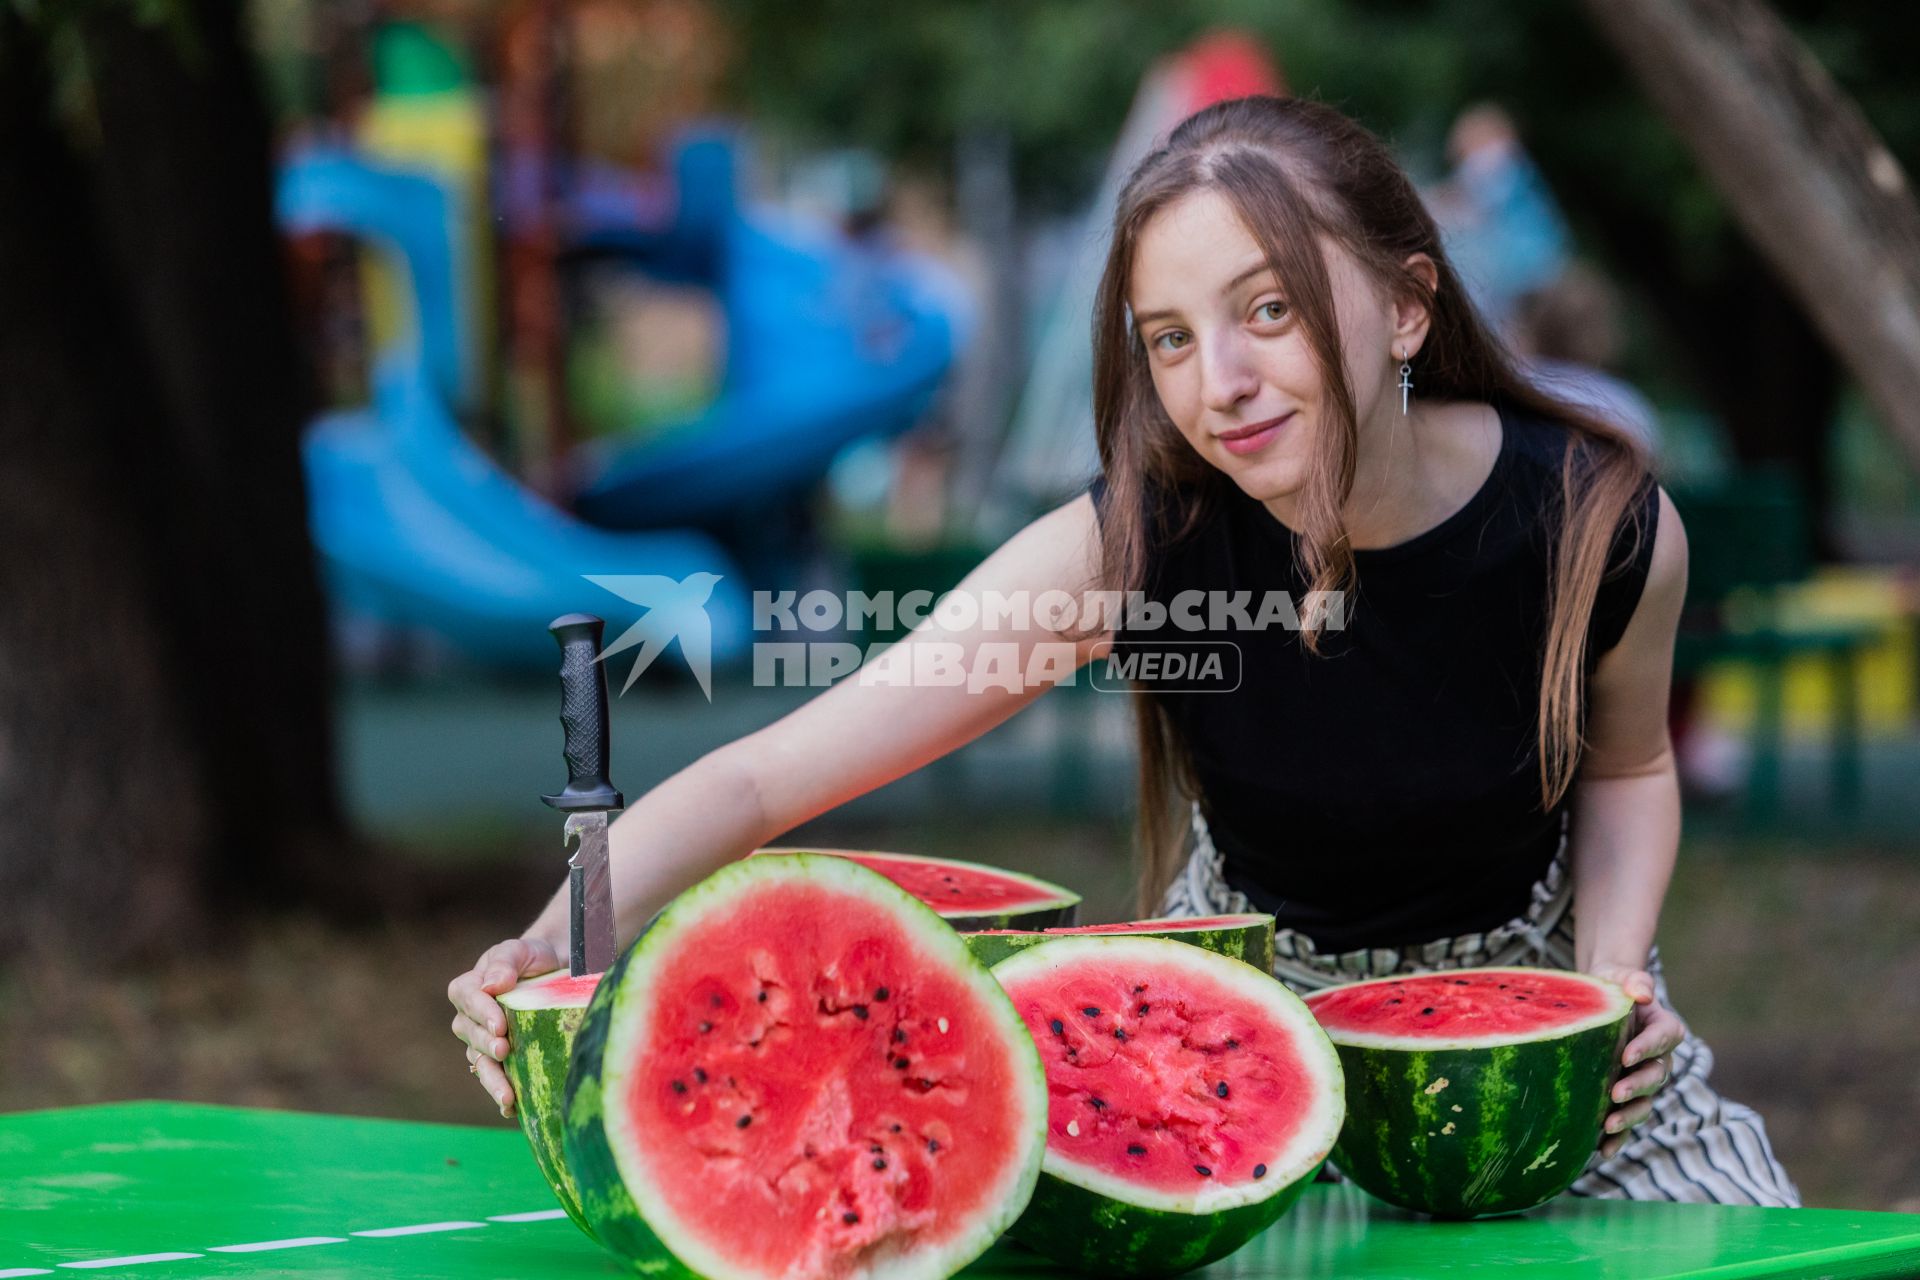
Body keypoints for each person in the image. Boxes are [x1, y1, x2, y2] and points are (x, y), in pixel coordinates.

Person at [449, 95, 1799, 1207]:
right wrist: (550, 942)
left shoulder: (1599, 524)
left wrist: (1613, 972)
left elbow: (1628, 770)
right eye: (1171, 339)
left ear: (1406, 307)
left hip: (1559, 1016)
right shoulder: (1131, 550)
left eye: (1268, 310)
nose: (1220, 380)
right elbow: (765, 781)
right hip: (1232, 1041)